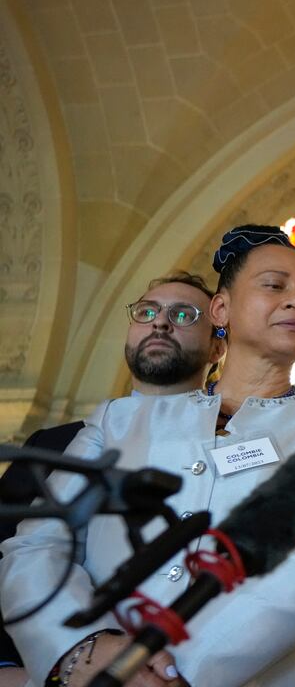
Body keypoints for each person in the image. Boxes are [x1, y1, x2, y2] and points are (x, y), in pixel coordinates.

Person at [0, 226, 295, 687]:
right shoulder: (119, 420)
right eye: (274, 285)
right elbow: (40, 543)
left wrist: (167, 670)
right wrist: (87, 648)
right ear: (221, 309)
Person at [0, 271, 226, 686]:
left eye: (183, 313)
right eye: (147, 311)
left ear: (217, 346)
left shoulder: (231, 443)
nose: (160, 322)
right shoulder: (54, 444)